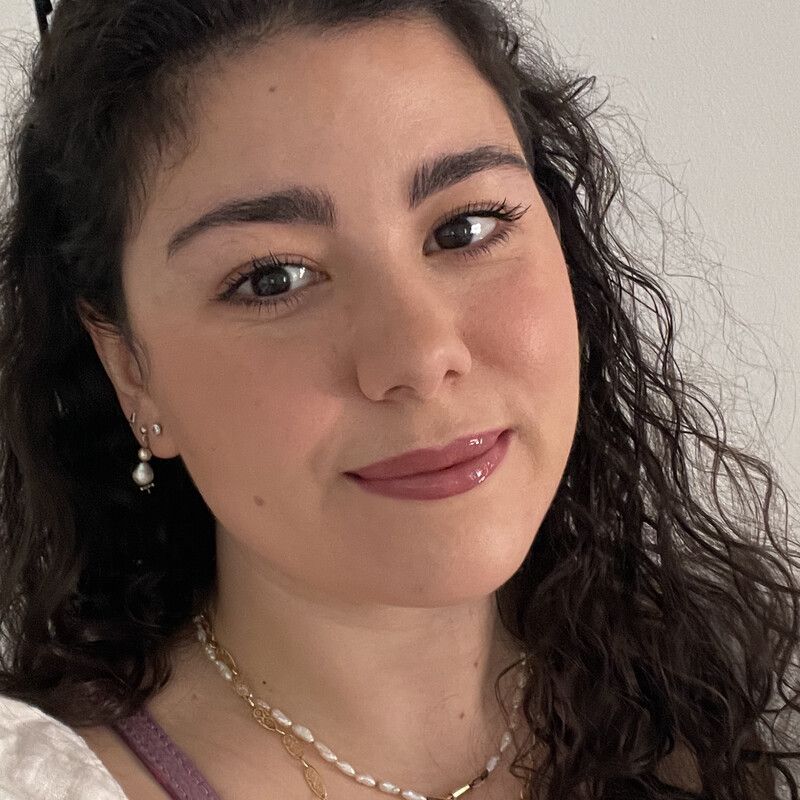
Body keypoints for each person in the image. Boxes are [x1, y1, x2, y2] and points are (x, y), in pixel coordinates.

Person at [0, 1, 797, 798]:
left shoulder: (731, 716)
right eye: (272, 279)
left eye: (465, 228)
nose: (419, 356)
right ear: (129, 367)